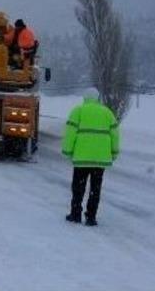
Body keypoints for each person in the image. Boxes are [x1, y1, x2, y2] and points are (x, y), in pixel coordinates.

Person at [62, 95, 121, 226]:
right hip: (100, 159)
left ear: (85, 98)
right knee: (95, 189)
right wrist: (114, 152)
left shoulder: (78, 111)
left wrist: (67, 151)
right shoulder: (107, 113)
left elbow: (70, 133)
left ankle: (75, 214)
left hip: (81, 158)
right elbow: (115, 134)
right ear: (98, 98)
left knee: (78, 187)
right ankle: (91, 217)